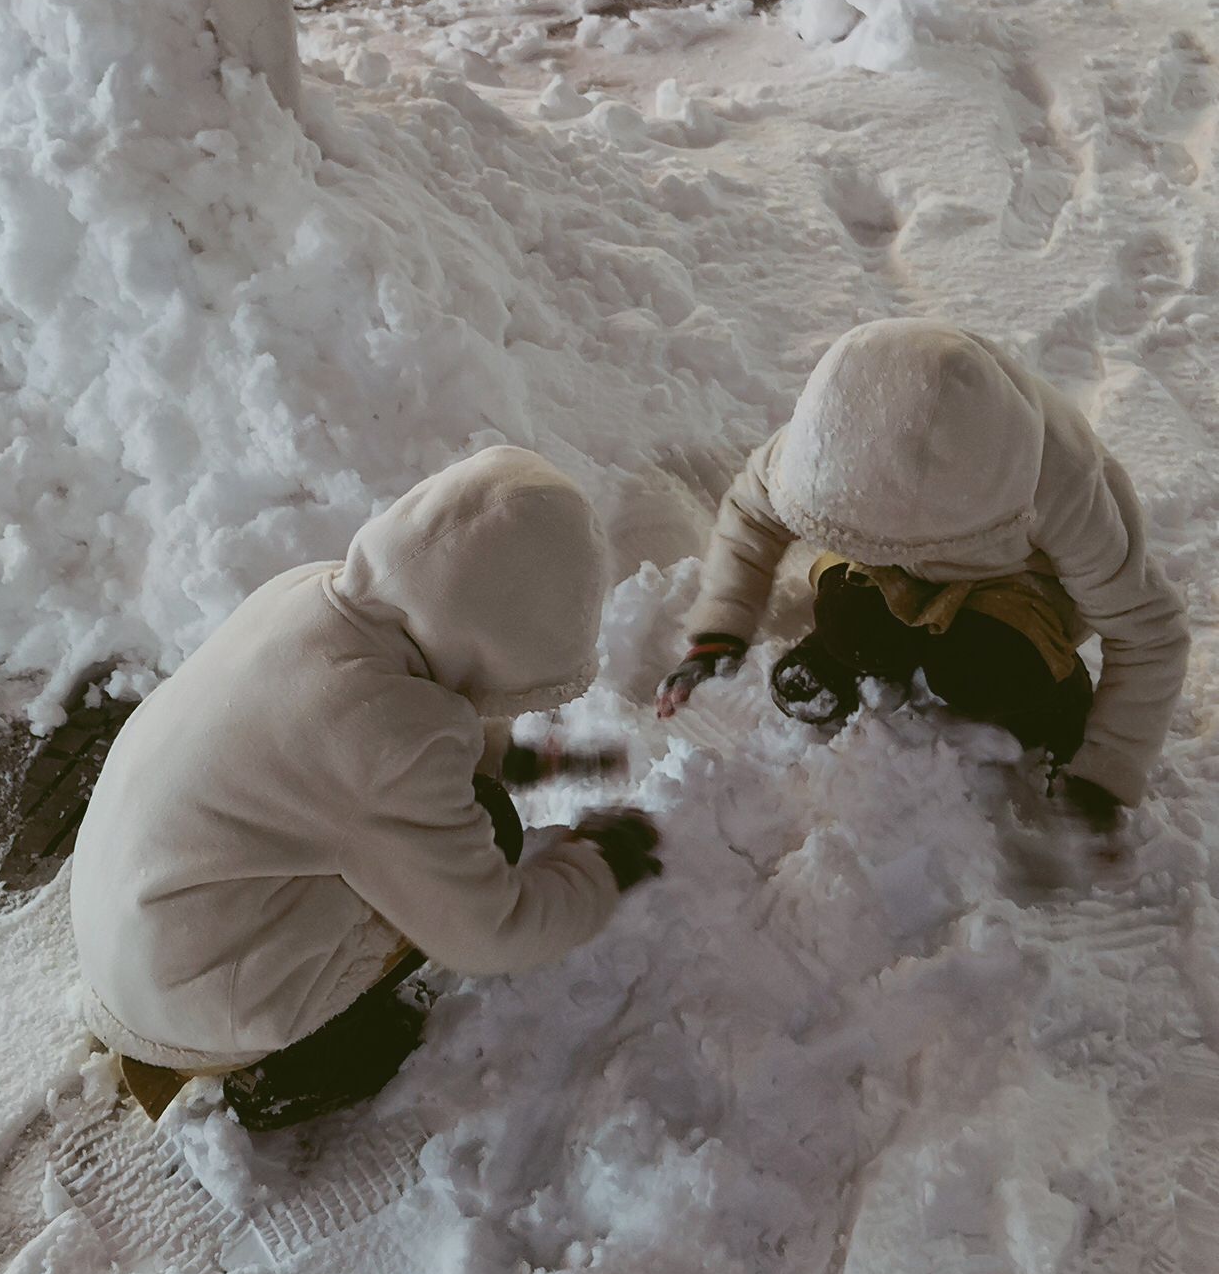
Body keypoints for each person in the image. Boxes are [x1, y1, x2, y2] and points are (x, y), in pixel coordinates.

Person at [71, 447, 660, 1131]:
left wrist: (549, 763)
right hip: (190, 1002)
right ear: (507, 639)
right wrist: (598, 869)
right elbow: (487, 928)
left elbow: (425, 730)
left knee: (439, 819)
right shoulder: (386, 741)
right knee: (485, 835)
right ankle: (289, 1068)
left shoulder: (313, 596)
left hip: (129, 921)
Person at [656, 318, 1189, 827]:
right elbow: (753, 512)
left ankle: (1054, 696)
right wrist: (720, 628)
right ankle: (852, 648)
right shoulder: (843, 428)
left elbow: (1147, 629)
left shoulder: (1063, 483)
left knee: (984, 666)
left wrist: (1109, 764)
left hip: (1015, 581)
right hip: (893, 558)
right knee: (850, 616)